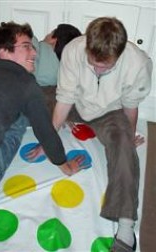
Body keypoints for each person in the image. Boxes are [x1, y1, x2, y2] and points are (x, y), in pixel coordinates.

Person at [30, 17, 153, 252]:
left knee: (123, 148)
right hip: (76, 104)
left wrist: (127, 137)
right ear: (87, 46)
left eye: (105, 66)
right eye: (93, 63)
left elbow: (130, 106)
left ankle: (126, 226)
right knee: (32, 94)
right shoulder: (74, 50)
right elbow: (64, 98)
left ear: (120, 54)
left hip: (109, 113)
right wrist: (49, 139)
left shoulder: (138, 64)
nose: (97, 69)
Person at [0, 21, 85, 222]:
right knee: (22, 115)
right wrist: (65, 165)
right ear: (4, 52)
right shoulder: (26, 83)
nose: (34, 52)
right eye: (26, 46)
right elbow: (45, 132)